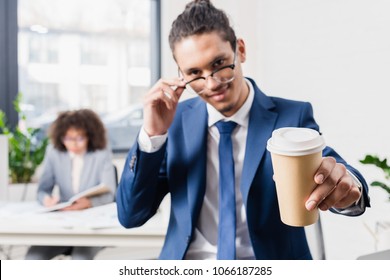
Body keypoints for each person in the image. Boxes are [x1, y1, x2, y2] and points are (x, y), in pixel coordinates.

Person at [116, 0, 370, 260]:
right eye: (194, 72)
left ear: (240, 50)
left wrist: (348, 186)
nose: (211, 83)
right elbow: (131, 215)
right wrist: (152, 135)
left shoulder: (291, 116)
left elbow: (335, 169)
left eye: (219, 64)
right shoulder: (174, 123)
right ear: (181, 74)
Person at [25, 109, 116, 260]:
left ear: (90, 136)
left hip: (91, 225)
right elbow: (42, 190)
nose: (73, 143)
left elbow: (110, 194)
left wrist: (89, 203)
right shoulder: (54, 152)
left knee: (80, 259)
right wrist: (47, 199)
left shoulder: (101, 152)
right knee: (33, 257)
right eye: (68, 138)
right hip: (63, 223)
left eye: (79, 138)